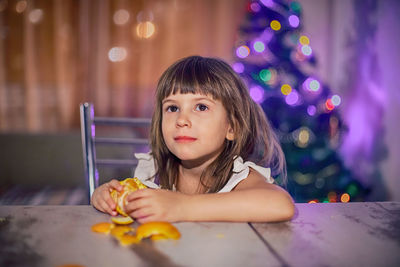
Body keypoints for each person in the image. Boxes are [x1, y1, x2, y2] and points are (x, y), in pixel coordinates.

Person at [91, 56, 294, 223]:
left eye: (201, 107)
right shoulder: (155, 171)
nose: (181, 120)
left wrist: (181, 207)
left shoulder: (238, 176)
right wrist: (106, 197)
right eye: (172, 108)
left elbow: (280, 204)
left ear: (232, 127)